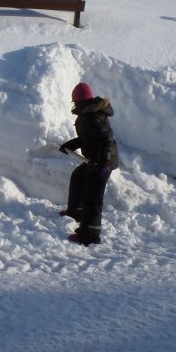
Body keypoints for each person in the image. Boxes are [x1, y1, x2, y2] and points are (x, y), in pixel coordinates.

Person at [59, 82, 118, 245]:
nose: (73, 104)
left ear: (79, 101)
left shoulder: (92, 117)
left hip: (103, 161)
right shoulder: (88, 114)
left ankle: (90, 234)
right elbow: (87, 138)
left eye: (74, 101)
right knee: (78, 177)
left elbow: (106, 141)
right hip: (95, 159)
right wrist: (70, 145)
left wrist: (103, 164)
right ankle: (75, 212)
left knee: (93, 198)